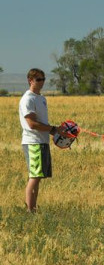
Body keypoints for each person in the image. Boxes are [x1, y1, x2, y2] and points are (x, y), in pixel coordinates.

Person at [18, 68, 62, 212]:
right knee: (35, 176)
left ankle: (33, 207)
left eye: (43, 79)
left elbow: (42, 122)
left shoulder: (41, 98)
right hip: (33, 142)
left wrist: (57, 132)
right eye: (38, 79)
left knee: (39, 176)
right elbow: (32, 124)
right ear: (30, 81)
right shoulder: (28, 99)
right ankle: (30, 210)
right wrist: (53, 130)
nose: (42, 82)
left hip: (42, 141)